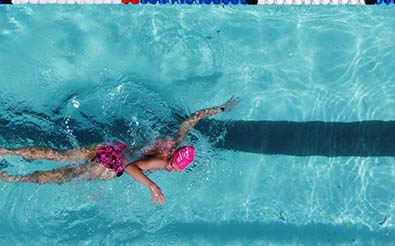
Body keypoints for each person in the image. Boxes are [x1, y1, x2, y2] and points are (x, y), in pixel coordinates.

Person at [0, 97, 239, 203]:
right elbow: (130, 167)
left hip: (110, 149)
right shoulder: (161, 162)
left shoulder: (173, 142)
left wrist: (220, 109)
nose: (173, 170)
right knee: (63, 176)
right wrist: (152, 186)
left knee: (58, 155)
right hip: (110, 166)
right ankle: (12, 178)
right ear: (174, 164)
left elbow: (192, 119)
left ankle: (8, 151)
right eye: (175, 167)